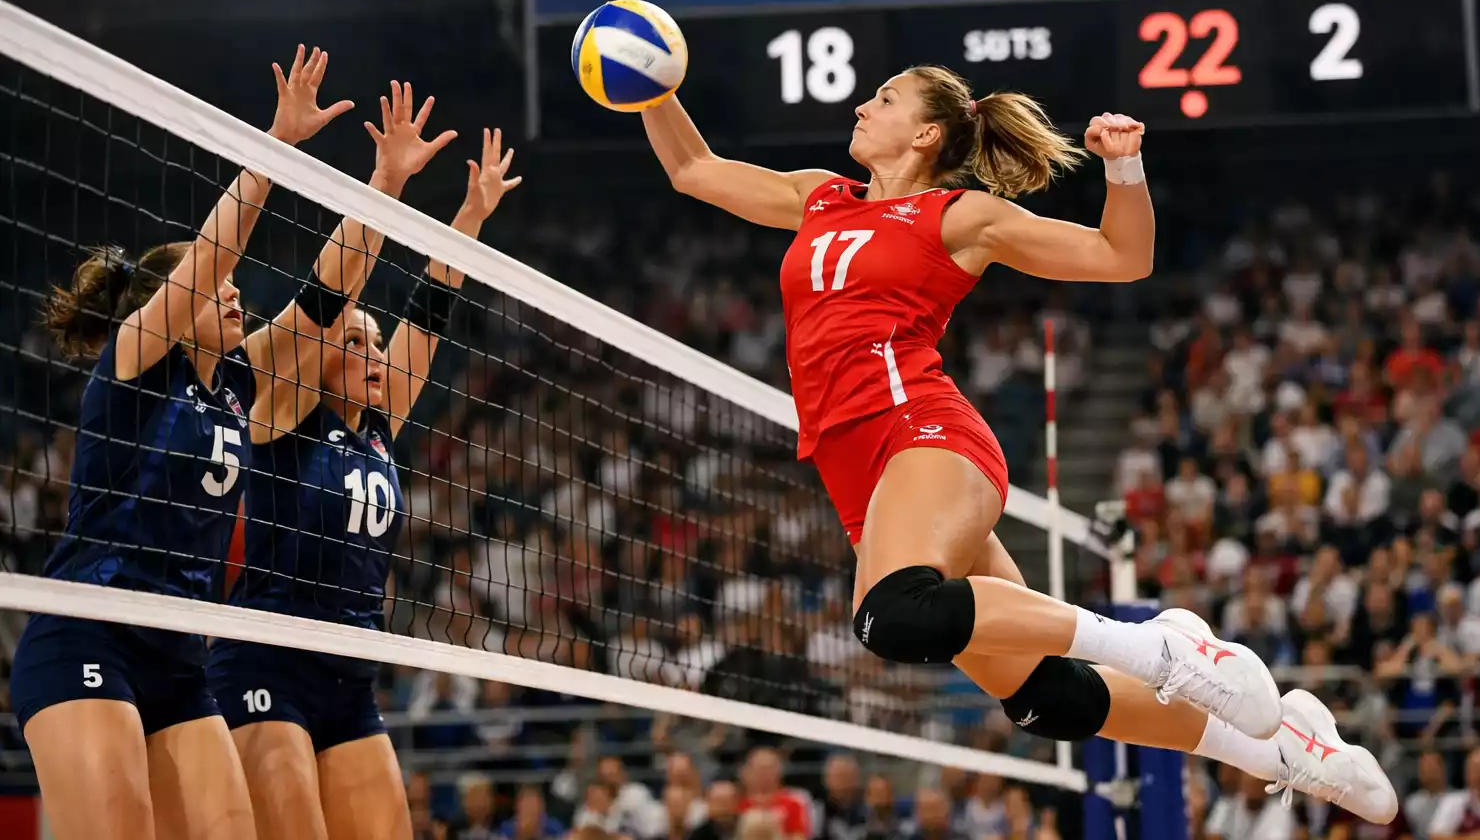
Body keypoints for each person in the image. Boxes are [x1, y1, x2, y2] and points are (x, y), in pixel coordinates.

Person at [637, 67, 1396, 824]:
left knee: (892, 616)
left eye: (885, 99)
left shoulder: (959, 216)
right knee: (1046, 698)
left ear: (927, 133)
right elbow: (692, 169)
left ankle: (1163, 648)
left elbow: (1122, 257)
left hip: (920, 433)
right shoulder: (820, 197)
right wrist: (650, 85)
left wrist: (1122, 166)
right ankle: (1290, 750)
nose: (863, 106)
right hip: (855, 469)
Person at [9, 45, 352, 840]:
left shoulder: (236, 384)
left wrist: (385, 190)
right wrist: (276, 146)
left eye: (234, 291)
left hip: (179, 654)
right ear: (171, 302)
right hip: (90, 629)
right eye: (217, 289)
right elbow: (211, 257)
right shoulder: (135, 358)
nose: (235, 296)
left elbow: (326, 301)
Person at [208, 106, 522, 840]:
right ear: (320, 353)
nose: (375, 354)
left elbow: (430, 312)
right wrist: (385, 184)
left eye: (377, 343)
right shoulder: (281, 410)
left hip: (352, 676)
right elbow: (326, 293)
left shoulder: (379, 428)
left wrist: (470, 218)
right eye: (356, 342)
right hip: (268, 662)